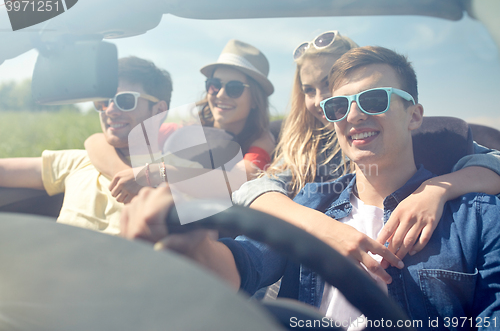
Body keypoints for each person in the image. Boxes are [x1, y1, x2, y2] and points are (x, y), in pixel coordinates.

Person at [120, 46, 500, 329]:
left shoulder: (478, 218)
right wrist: (190, 244)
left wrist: (438, 190)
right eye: (338, 106)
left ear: (414, 115)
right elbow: (244, 264)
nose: (353, 115)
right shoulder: (311, 200)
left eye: (372, 99)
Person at [232, 30, 500, 283]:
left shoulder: (408, 138)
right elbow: (255, 190)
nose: (320, 100)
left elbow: (492, 160)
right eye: (309, 90)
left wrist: (434, 191)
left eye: (329, 84)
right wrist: (318, 224)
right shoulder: (305, 147)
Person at [84, 39, 276, 204]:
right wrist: (132, 179)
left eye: (234, 88)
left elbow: (237, 180)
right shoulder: (188, 130)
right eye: (214, 85)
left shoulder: (260, 140)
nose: (221, 95)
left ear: (255, 99)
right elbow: (95, 141)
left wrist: (152, 174)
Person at [0, 56, 172, 235]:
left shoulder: (177, 170)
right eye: (103, 102)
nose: (110, 110)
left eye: (125, 100)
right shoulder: (78, 160)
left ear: (159, 111)